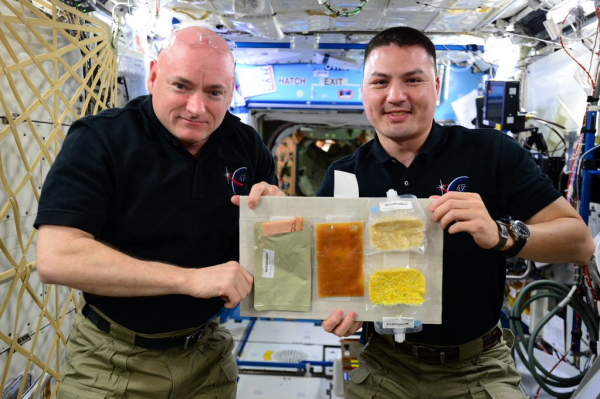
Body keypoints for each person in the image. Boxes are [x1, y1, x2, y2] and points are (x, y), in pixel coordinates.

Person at [317, 26, 595, 398]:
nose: (395, 96)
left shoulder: (491, 152)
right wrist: (338, 308)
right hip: (384, 367)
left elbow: (579, 244)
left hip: (479, 368)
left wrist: (501, 234)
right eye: (380, 82)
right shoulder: (344, 175)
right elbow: (324, 272)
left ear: (435, 84)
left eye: (412, 80)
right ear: (364, 90)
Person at [34, 26, 283, 398]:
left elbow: (270, 255)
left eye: (215, 92)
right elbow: (57, 258)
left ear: (231, 91)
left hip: (207, 356)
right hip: (111, 359)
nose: (197, 108)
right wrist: (189, 279)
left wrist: (280, 217)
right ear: (152, 76)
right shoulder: (101, 139)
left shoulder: (246, 144)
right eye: (181, 86)